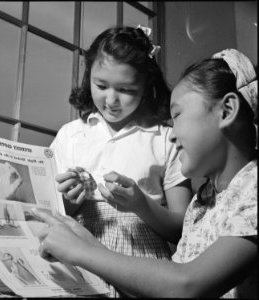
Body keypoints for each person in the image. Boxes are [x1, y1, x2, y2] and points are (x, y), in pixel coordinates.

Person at [32, 48, 257, 298]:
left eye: (178, 115)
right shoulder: (204, 199)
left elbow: (185, 285)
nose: (172, 132)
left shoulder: (252, 188)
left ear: (226, 111)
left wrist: (83, 249)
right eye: (101, 85)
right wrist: (82, 239)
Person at [49, 25, 192, 296]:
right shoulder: (71, 135)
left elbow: (182, 230)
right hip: (77, 260)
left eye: (126, 89)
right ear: (88, 75)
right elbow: (51, 214)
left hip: (143, 266)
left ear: (146, 85)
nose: (111, 100)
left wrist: (141, 205)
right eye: (101, 85)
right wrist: (69, 202)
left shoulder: (166, 138)